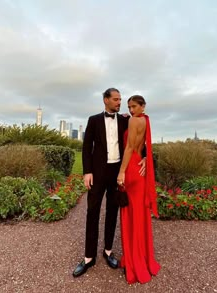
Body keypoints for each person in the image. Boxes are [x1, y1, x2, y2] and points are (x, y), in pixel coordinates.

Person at [72, 88, 146, 277]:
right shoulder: (93, 120)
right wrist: (87, 171)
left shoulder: (124, 120)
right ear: (105, 100)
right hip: (97, 173)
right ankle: (89, 257)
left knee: (113, 212)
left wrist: (144, 157)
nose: (119, 102)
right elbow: (87, 146)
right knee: (92, 212)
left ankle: (108, 251)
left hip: (118, 173)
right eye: (115, 99)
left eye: (120, 99)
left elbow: (139, 139)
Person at [117, 95, 161, 284]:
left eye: (134, 106)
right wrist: (144, 158)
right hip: (139, 168)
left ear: (143, 106)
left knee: (130, 215)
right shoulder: (144, 120)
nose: (131, 109)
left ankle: (134, 261)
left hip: (131, 169)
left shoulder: (135, 120)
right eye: (129, 106)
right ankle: (141, 257)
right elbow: (143, 145)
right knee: (139, 215)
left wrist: (121, 172)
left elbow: (129, 148)